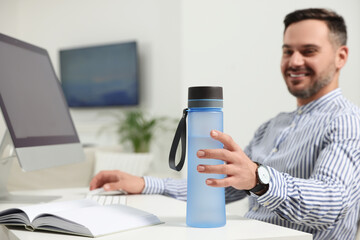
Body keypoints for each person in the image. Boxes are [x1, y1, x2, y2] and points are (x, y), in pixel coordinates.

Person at [90, 8, 360, 240]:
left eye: (309, 51)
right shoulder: (272, 126)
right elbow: (225, 185)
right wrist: (145, 183)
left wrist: (258, 178)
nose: (294, 61)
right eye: (288, 51)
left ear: (341, 56)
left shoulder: (346, 121)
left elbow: (333, 203)